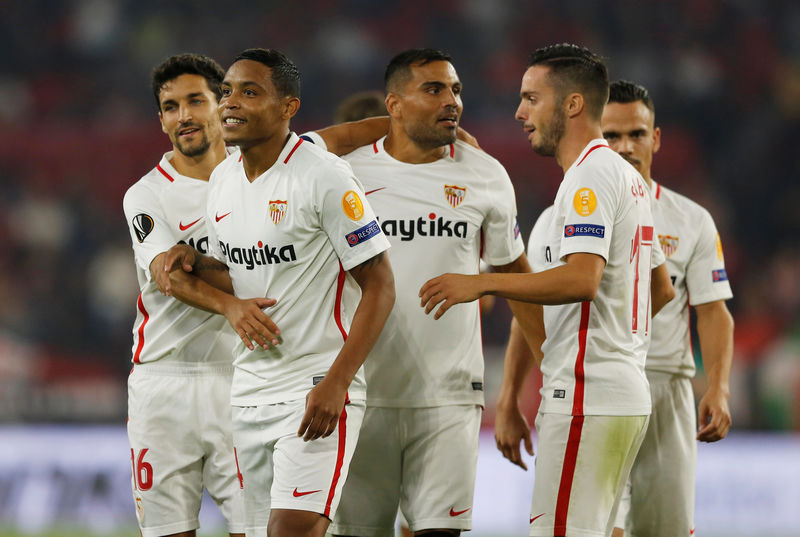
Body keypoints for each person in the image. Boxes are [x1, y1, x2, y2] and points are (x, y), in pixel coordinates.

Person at [419, 43, 675, 537]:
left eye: (531, 99)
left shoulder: (591, 177)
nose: (519, 112)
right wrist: (615, 340)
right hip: (618, 391)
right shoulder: (626, 177)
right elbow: (659, 288)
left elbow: (582, 279)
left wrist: (482, 281)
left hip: (588, 396)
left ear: (572, 104)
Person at [158, 48, 395, 537]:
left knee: (292, 530)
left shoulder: (322, 175)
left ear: (289, 107)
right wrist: (194, 262)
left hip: (315, 388)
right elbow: (243, 273)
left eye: (250, 92)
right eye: (227, 92)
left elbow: (381, 286)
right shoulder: (223, 179)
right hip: (248, 391)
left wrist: (337, 383)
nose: (231, 103)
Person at [304, 48, 534, 537]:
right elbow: (290, 151)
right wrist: (376, 129)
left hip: (449, 394)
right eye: (433, 90)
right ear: (394, 103)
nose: (452, 101)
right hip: (361, 392)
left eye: (456, 90)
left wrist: (546, 378)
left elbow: (519, 280)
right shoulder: (346, 173)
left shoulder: (485, 173)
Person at [123, 53, 261, 537]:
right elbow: (170, 276)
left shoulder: (259, 179)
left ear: (221, 104)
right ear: (160, 120)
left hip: (244, 381)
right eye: (170, 106)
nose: (183, 116)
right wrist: (232, 303)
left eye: (195, 101)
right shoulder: (145, 195)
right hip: (163, 382)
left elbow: (327, 141)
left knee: (259, 528)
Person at [602, 80, 734, 537]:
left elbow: (714, 310)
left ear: (655, 139)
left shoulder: (691, 220)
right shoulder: (569, 214)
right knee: (603, 529)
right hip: (601, 386)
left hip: (667, 390)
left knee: (666, 530)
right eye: (611, 136)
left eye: (636, 134)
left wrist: (718, 387)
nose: (624, 147)